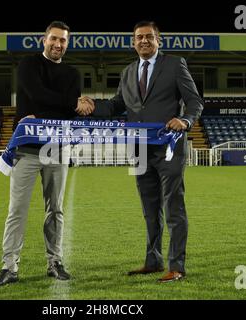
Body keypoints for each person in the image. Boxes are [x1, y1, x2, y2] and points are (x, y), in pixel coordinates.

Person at [87, 21, 203, 282]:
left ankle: (177, 267)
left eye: (149, 37)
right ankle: (153, 261)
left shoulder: (174, 64)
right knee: (149, 209)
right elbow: (117, 105)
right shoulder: (128, 71)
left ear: (159, 40)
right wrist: (89, 105)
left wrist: (185, 120)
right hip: (138, 149)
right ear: (133, 42)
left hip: (168, 149)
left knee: (173, 207)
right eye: (139, 37)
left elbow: (194, 100)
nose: (144, 41)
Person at [0, 21, 94, 286]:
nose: (58, 45)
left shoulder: (73, 74)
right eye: (54, 39)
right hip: (26, 148)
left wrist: (45, 113)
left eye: (63, 41)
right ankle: (9, 267)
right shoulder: (27, 64)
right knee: (17, 210)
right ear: (44, 40)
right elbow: (36, 94)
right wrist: (68, 104)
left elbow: (63, 112)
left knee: (55, 210)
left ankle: (54, 262)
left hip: (57, 148)